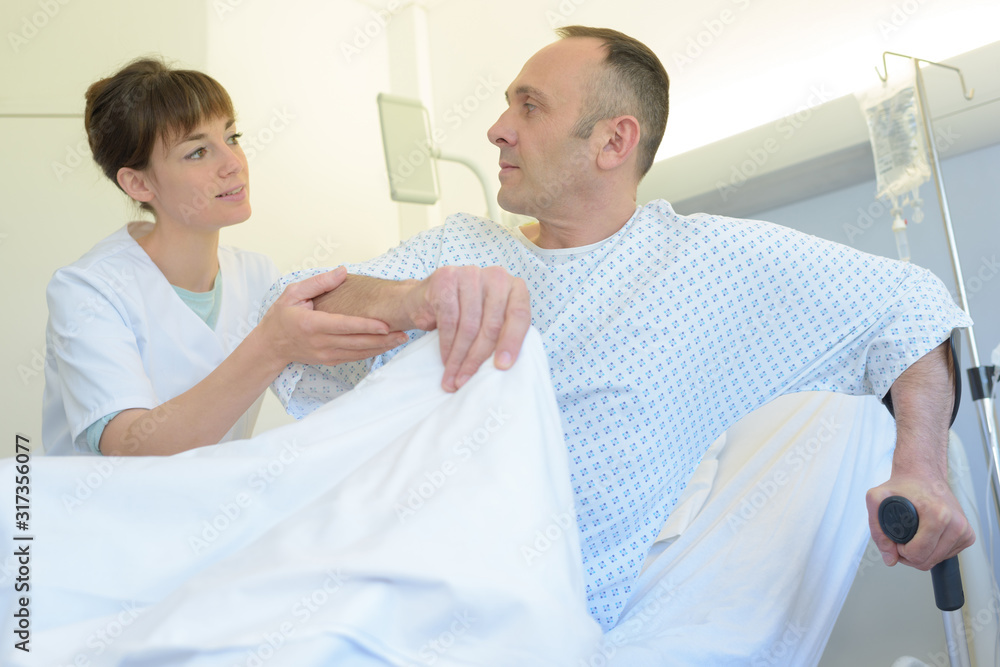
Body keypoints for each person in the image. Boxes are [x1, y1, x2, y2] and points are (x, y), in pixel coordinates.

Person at [260, 27, 975, 630]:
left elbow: (910, 306)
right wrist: (416, 299)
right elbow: (299, 309)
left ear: (612, 141)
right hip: (388, 588)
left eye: (529, 107)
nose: (497, 128)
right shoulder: (459, 251)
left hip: (542, 622)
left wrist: (920, 466)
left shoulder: (707, 263)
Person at [42, 58, 407, 457]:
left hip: (213, 509)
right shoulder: (88, 289)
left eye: (232, 137)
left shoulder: (255, 274)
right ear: (139, 182)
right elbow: (130, 448)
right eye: (198, 152)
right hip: (103, 515)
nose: (233, 164)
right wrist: (271, 346)